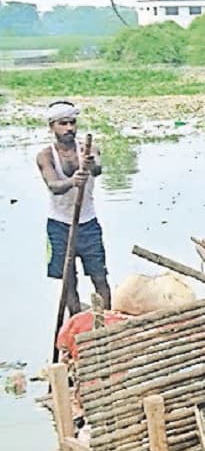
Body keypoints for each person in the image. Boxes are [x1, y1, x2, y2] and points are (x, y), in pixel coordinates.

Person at [36, 100, 109, 314]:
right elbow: (53, 186)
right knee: (68, 281)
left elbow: (97, 169)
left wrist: (91, 164)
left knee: (99, 277)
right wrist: (72, 181)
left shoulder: (89, 149)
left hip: (87, 223)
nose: (69, 128)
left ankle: (105, 321)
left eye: (72, 123)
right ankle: (75, 318)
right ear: (52, 126)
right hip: (59, 226)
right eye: (63, 123)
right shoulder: (46, 156)